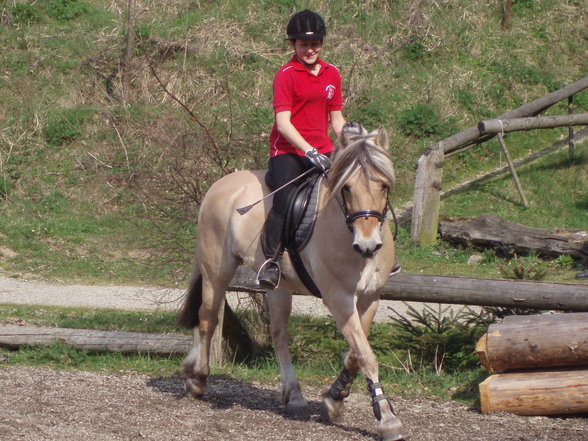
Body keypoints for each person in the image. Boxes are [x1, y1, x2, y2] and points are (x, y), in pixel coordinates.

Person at [257, 9, 346, 289]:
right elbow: (283, 124)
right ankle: (270, 261)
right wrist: (308, 151)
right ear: (293, 45)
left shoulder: (333, 73)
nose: (310, 49)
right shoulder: (285, 75)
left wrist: (352, 141)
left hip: (324, 148)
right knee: (284, 198)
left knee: (355, 188)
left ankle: (367, 249)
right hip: (289, 151)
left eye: (315, 44)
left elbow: (337, 119)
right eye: (304, 44)